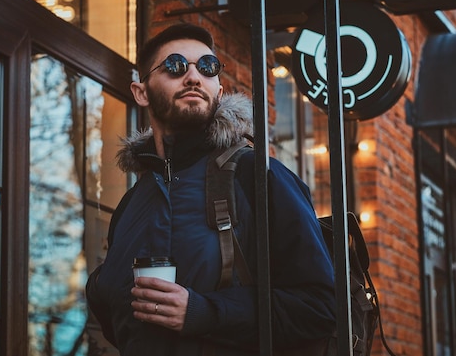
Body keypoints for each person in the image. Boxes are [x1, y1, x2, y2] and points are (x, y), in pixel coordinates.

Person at [86, 23, 336, 355]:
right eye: (175, 66)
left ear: (218, 91)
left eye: (207, 67)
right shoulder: (131, 204)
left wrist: (205, 312)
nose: (193, 77)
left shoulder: (257, 175)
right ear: (141, 92)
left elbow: (320, 306)